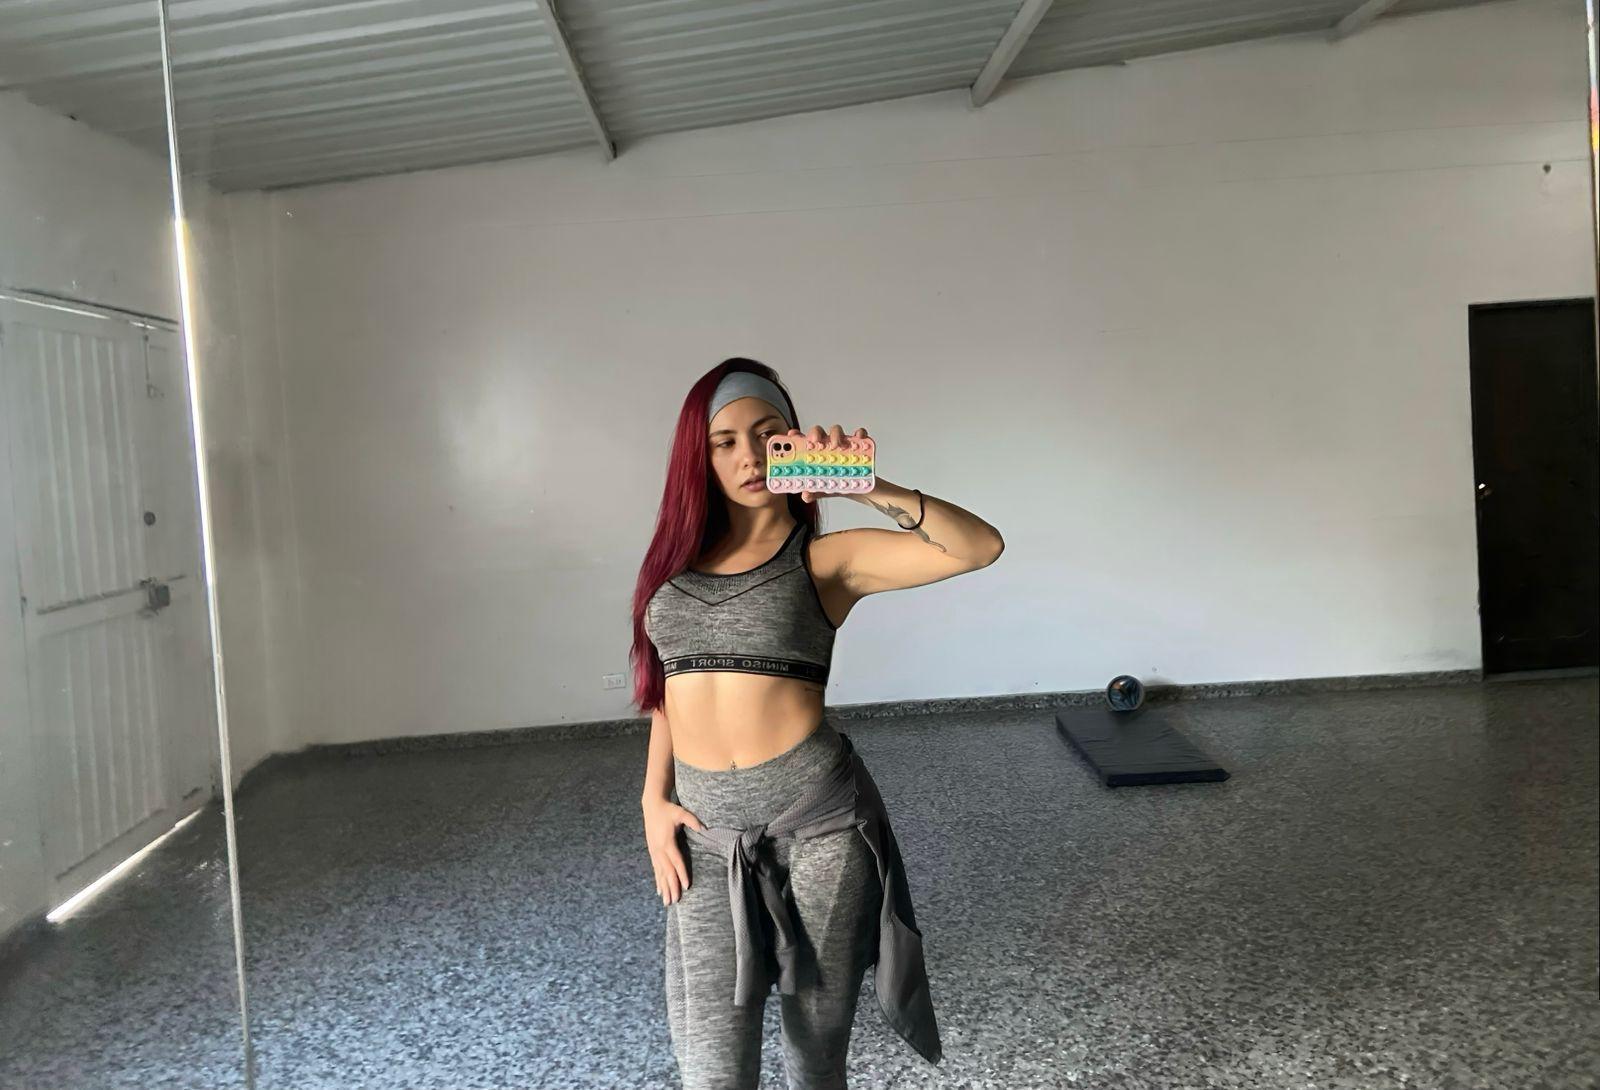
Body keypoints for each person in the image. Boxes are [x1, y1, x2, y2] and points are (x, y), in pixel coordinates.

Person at [632, 358, 1004, 1089]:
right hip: (706, 832)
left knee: (815, 1047)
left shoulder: (825, 560)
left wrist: (868, 487)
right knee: (711, 1064)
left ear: (793, 442)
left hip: (821, 824)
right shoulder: (673, 568)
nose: (748, 456)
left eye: (767, 435)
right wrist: (652, 799)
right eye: (724, 441)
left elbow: (978, 547)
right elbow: (667, 689)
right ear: (698, 457)